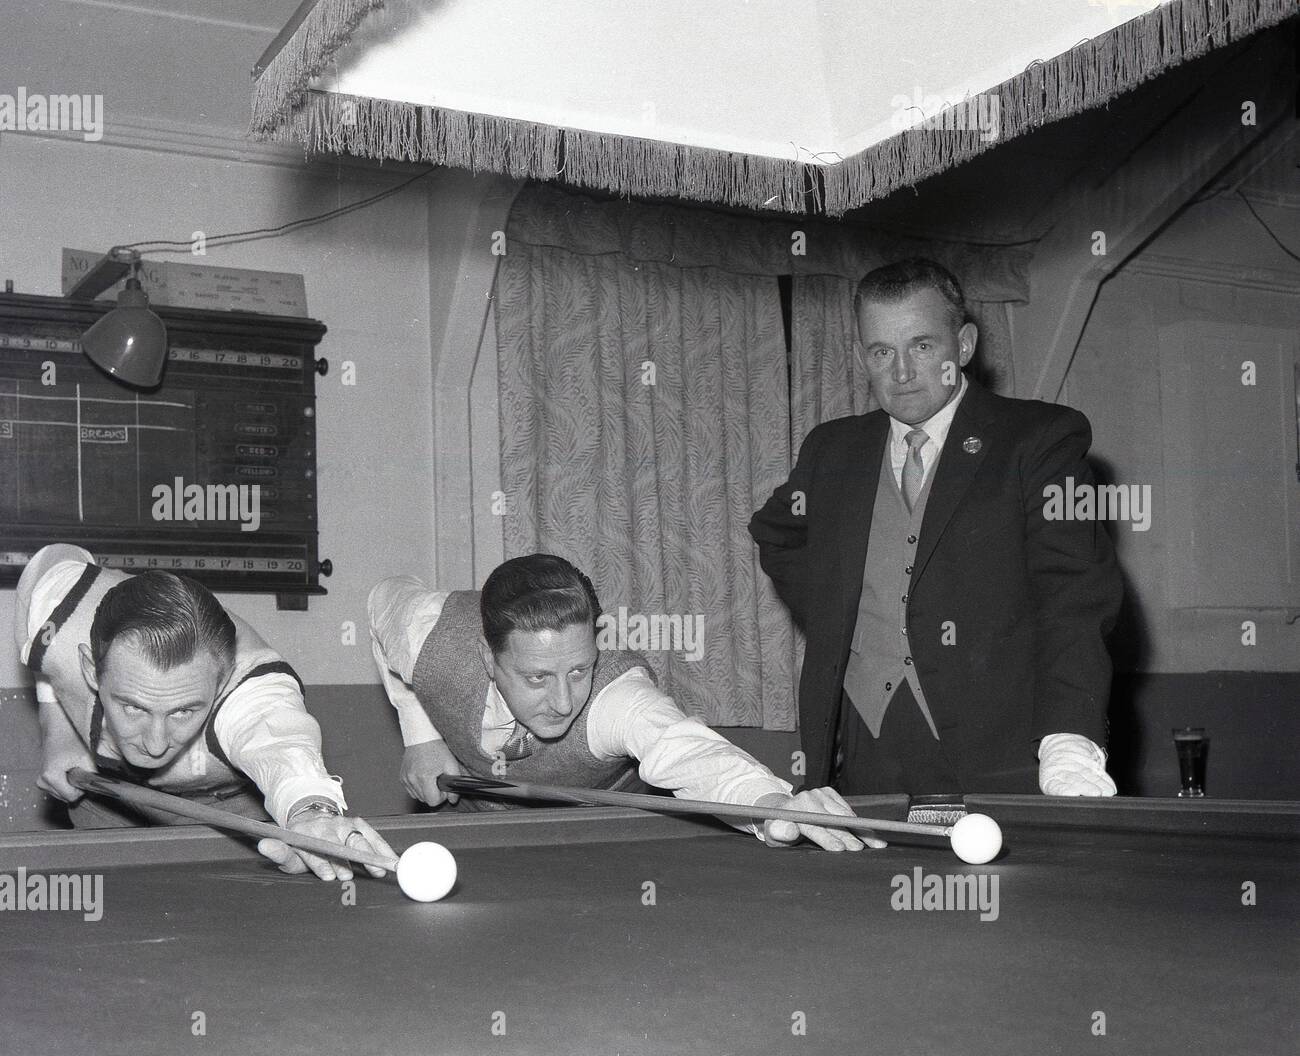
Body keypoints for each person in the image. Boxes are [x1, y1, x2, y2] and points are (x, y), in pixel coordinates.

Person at [748, 258, 1123, 797]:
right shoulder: (832, 449)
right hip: (864, 745)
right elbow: (777, 534)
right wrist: (842, 615)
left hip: (1004, 751)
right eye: (881, 351)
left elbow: (1076, 598)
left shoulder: (1039, 440)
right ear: (861, 357)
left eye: (922, 346)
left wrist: (1069, 739)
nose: (901, 372)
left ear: (963, 346)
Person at [369, 553, 875, 852]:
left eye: (579, 669)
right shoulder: (429, 635)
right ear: (487, 657)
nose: (564, 701)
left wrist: (774, 805)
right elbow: (381, 597)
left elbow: (687, 749)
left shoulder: (617, 698)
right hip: (473, 837)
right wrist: (421, 736)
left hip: (601, 840)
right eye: (537, 677)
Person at [15, 543, 394, 882]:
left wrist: (312, 813)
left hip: (230, 830)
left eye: (183, 710)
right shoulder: (62, 615)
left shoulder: (253, 690)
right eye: (133, 706)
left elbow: (284, 746)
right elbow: (48, 561)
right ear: (89, 669)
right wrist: (57, 726)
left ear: (223, 680)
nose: (155, 742)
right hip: (107, 807)